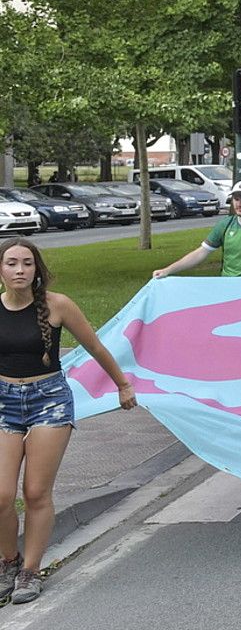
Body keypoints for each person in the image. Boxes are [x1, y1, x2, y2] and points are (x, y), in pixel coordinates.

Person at [1, 238, 138, 604]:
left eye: (27, 264)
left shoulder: (56, 305)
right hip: (3, 402)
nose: (19, 270)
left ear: (37, 269)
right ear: (0, 269)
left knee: (35, 492)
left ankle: (30, 571)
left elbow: (95, 347)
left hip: (49, 401)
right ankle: (8, 562)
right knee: (0, 495)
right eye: (11, 263)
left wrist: (123, 385)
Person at [153, 180, 241, 278]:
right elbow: (201, 253)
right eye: (236, 199)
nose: (239, 204)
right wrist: (168, 270)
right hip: (228, 290)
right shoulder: (224, 225)